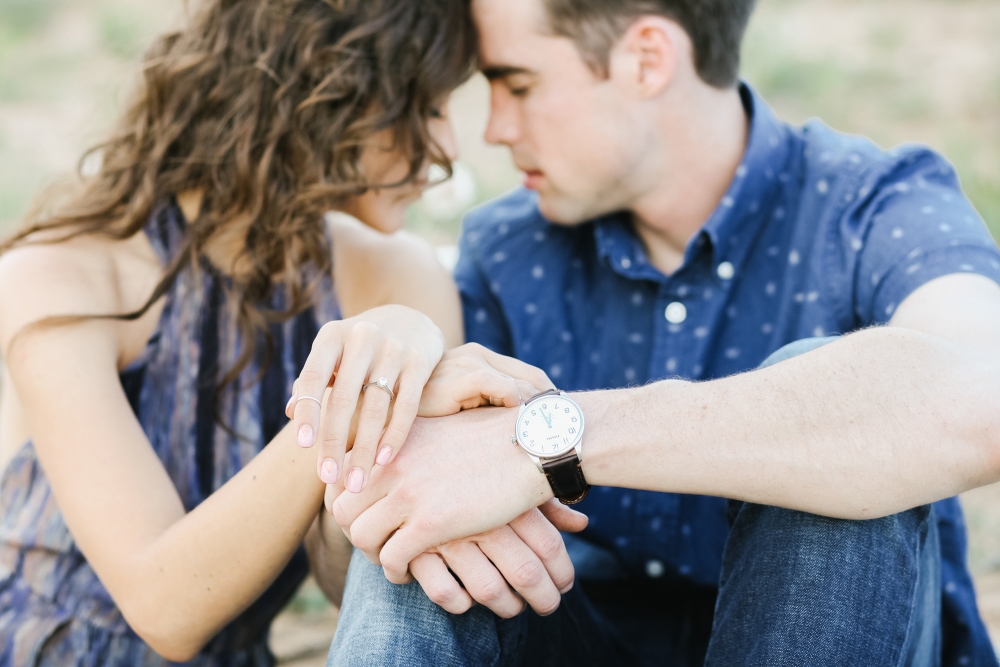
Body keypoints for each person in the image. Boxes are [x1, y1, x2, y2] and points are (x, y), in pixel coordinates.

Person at [323, 0, 1000, 665]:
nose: (494, 128)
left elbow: (984, 395)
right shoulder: (506, 252)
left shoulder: (876, 204)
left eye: (518, 84)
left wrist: (554, 440)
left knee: (839, 414)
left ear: (648, 58)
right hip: (583, 638)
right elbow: (371, 552)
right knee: (438, 513)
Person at [0, 1, 586, 664]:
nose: (451, 145)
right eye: (424, 106)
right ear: (324, 93)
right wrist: (351, 385)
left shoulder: (399, 279)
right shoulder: (58, 276)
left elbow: (360, 590)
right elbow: (163, 608)